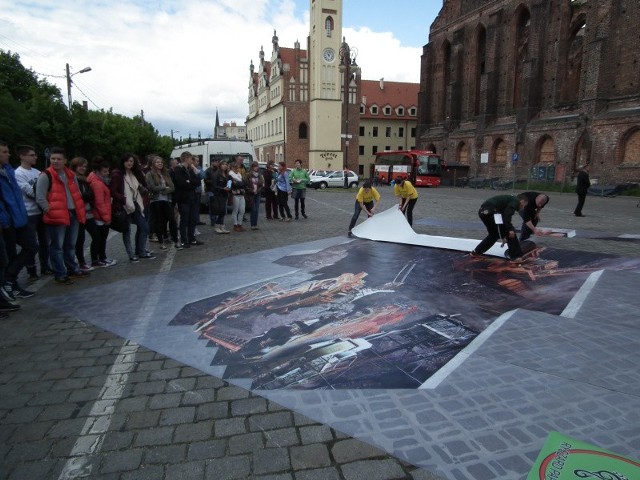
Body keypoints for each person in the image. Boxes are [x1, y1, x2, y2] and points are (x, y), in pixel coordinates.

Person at [35, 147, 87, 285]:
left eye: (59, 159)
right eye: (53, 159)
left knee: (70, 244)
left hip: (72, 213)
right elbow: (40, 197)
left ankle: (72, 268)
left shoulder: (70, 175)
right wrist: (49, 211)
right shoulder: (45, 175)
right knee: (57, 246)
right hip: (57, 215)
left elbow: (77, 194)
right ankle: (60, 273)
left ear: (65, 160)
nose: (55, 161)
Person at [0, 142, 37, 299]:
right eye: (4, 152)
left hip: (20, 217)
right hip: (7, 220)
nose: (8, 154)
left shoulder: (8, 171)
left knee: (31, 246)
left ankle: (10, 281)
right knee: (9, 255)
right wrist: (4, 218)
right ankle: (10, 284)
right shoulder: (12, 172)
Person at [14, 145, 51, 278]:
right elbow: (30, 192)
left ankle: (45, 266)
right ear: (22, 156)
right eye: (31, 155)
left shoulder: (36, 172)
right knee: (31, 244)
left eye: (34, 155)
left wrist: (42, 193)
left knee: (45, 241)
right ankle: (31, 269)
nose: (35, 157)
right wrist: (41, 192)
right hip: (29, 213)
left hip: (41, 211)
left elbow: (47, 191)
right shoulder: (18, 174)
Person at [111, 153, 155, 262]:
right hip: (124, 205)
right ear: (123, 162)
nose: (129, 163)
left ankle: (140, 251)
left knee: (144, 227)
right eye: (127, 161)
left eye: (131, 161)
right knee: (127, 231)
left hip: (135, 203)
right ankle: (131, 254)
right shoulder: (117, 174)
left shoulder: (134, 173)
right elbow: (113, 191)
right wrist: (124, 199)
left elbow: (139, 186)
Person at [470, 194, 529, 261]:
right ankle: (516, 257)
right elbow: (507, 216)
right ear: (522, 201)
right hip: (492, 211)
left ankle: (476, 252)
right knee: (511, 233)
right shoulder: (515, 201)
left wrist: (503, 235)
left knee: (494, 235)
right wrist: (510, 229)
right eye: (524, 205)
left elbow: (502, 220)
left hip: (483, 212)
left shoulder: (508, 200)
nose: (523, 208)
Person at [86, 157, 116, 267]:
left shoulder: (97, 180)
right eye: (105, 171)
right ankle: (99, 259)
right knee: (100, 239)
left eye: (108, 171)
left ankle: (101, 258)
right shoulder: (97, 183)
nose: (107, 173)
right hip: (100, 216)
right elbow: (100, 203)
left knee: (100, 239)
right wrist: (106, 218)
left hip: (99, 215)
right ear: (97, 171)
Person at [145, 156, 180, 250]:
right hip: (156, 200)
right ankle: (161, 242)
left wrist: (163, 190)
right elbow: (152, 187)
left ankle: (176, 240)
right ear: (153, 164)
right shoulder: (150, 174)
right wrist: (164, 188)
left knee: (172, 220)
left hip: (167, 199)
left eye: (161, 162)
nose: (160, 163)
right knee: (159, 221)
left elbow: (172, 187)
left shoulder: (166, 173)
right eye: (157, 162)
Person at [70, 157, 95, 272]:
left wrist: (86, 196)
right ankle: (81, 262)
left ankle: (95, 259)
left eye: (85, 166)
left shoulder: (85, 180)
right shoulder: (72, 179)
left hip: (88, 212)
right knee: (80, 239)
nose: (83, 168)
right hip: (78, 213)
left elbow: (90, 195)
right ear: (75, 166)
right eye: (80, 166)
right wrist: (86, 196)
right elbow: (80, 196)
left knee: (96, 236)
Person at [172, 151, 203, 247]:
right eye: (190, 159)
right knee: (184, 219)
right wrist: (190, 183)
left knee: (193, 219)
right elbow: (181, 183)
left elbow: (198, 181)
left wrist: (190, 181)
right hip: (183, 198)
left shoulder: (190, 169)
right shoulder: (179, 169)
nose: (192, 161)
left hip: (192, 197)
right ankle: (184, 240)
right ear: (186, 159)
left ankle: (191, 238)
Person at [211, 160, 231, 234]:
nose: (225, 166)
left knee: (223, 211)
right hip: (218, 195)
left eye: (226, 164)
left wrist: (229, 186)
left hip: (224, 194)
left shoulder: (227, 174)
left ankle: (222, 226)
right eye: (223, 164)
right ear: (220, 165)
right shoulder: (216, 174)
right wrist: (223, 188)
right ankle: (217, 225)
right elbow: (214, 186)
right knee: (219, 210)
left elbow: (229, 181)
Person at [244, 161, 264, 230]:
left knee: (257, 210)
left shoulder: (259, 175)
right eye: (255, 166)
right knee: (253, 209)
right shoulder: (248, 175)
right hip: (251, 195)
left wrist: (258, 190)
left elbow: (261, 185)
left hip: (258, 194)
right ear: (252, 167)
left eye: (257, 166)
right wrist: (251, 190)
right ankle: (252, 224)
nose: (256, 168)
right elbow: (246, 185)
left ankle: (255, 224)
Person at [229, 162, 246, 232]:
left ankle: (240, 224)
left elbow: (243, 183)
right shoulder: (230, 174)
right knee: (235, 210)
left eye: (237, 167)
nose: (237, 169)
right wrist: (240, 184)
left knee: (242, 210)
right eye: (235, 167)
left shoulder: (239, 174)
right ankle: (235, 225)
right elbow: (234, 185)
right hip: (235, 194)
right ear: (232, 168)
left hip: (241, 193)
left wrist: (240, 183)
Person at [203, 160, 219, 226]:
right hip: (210, 190)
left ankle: (216, 220)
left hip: (217, 190)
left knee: (216, 206)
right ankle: (213, 220)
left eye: (217, 162)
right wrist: (214, 181)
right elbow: (206, 180)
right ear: (212, 162)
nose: (217, 163)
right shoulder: (208, 171)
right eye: (216, 162)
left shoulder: (218, 170)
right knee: (212, 206)